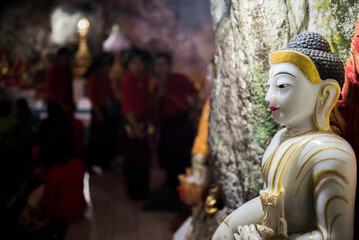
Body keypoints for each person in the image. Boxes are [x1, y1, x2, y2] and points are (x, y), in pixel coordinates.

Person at [212, 33, 356, 240]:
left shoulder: (332, 154)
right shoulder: (280, 138)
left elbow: (335, 236)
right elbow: (267, 203)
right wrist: (227, 229)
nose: (268, 96)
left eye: (281, 86)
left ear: (325, 94)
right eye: (270, 85)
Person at [153, 52, 198, 192]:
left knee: (184, 154)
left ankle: (186, 186)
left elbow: (194, 93)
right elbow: (153, 108)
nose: (161, 68)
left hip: (182, 120)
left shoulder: (178, 78)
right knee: (169, 156)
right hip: (167, 124)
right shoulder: (155, 85)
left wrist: (194, 111)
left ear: (169, 66)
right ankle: (172, 186)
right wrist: (158, 96)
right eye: (158, 65)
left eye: (163, 64)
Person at [119, 48, 150, 199]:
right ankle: (135, 192)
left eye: (140, 63)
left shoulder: (142, 79)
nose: (138, 66)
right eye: (134, 63)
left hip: (142, 122)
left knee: (143, 159)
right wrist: (137, 128)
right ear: (128, 65)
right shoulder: (128, 80)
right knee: (134, 160)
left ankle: (142, 190)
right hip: (132, 124)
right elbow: (128, 108)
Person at [85, 53, 117, 169]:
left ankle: (105, 161)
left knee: (107, 137)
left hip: (106, 110)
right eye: (107, 65)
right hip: (99, 110)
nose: (109, 68)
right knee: (97, 138)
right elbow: (92, 97)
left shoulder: (106, 78)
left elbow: (110, 94)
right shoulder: (93, 77)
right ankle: (94, 162)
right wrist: (97, 111)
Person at [45, 47, 74, 116]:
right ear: (59, 58)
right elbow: (50, 89)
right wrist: (62, 104)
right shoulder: (53, 71)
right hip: (55, 105)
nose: (66, 60)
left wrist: (71, 103)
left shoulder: (68, 71)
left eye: (68, 58)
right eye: (64, 57)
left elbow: (69, 89)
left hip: (67, 105)